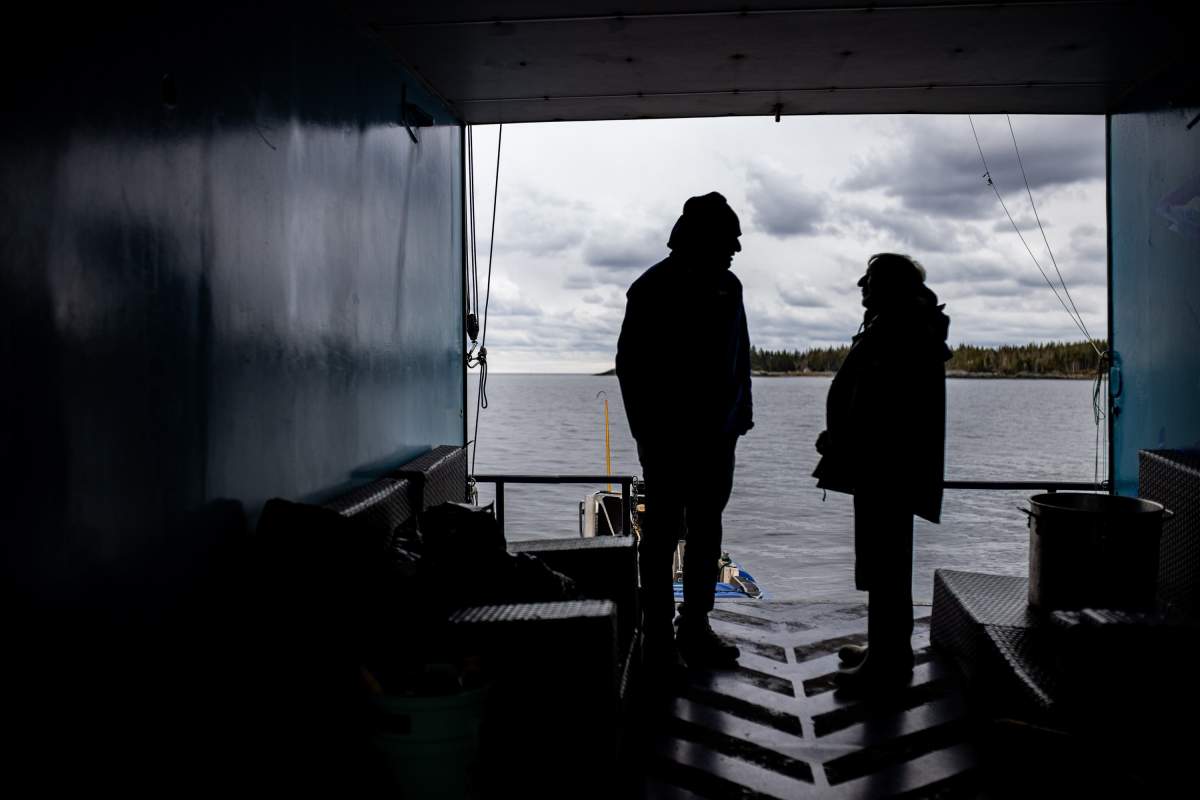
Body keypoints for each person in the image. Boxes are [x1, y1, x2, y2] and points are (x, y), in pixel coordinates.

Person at [615, 192, 753, 677]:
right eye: (728, 238)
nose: (736, 247)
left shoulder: (730, 288)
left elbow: (741, 361)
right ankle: (657, 638)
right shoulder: (650, 289)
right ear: (700, 238)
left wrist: (740, 419)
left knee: (707, 531)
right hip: (668, 443)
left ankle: (695, 625)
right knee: (659, 538)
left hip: (718, 439)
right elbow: (630, 368)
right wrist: (649, 435)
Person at [813, 253, 950, 693]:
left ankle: (888, 662)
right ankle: (886, 648)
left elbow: (885, 410)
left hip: (887, 470)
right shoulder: (897, 322)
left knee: (887, 565)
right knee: (884, 564)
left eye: (870, 279)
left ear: (891, 284)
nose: (861, 284)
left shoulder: (901, 328)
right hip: (884, 467)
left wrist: (839, 442)